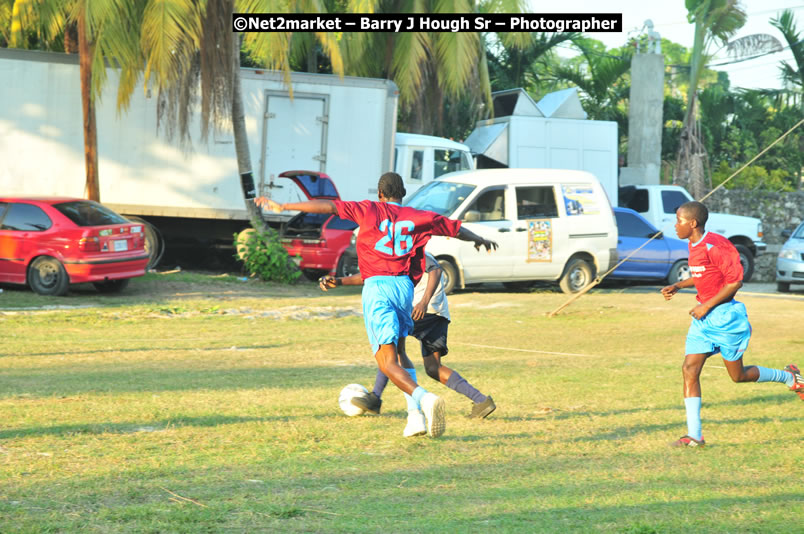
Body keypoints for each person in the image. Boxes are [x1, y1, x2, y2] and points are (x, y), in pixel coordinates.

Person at [256, 172, 497, 438]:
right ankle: (414, 417)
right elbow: (455, 227)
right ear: (402, 194)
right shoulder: (417, 216)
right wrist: (479, 239)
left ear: (380, 194)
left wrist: (283, 206)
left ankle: (425, 399)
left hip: (378, 289)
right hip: (404, 288)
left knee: (386, 361)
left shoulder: (367, 210)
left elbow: (328, 206)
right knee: (401, 352)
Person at [660, 201, 803, 448]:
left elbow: (734, 282)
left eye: (679, 221)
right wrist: (678, 285)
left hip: (726, 318)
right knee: (689, 369)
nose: (675, 226)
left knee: (738, 376)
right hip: (703, 321)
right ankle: (695, 436)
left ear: (692, 223)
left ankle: (789, 377)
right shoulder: (693, 245)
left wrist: (706, 306)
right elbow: (704, 274)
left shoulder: (717, 246)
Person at [320, 250, 496, 438]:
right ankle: (481, 401)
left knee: (392, 350)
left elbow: (436, 270)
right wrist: (339, 281)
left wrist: (423, 302)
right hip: (438, 311)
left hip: (419, 307)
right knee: (432, 367)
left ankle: (377, 399)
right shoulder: (394, 247)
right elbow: (371, 276)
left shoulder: (409, 248)